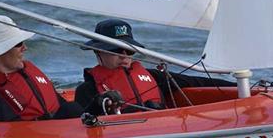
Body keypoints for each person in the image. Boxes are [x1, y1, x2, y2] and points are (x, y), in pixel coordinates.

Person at [75, 19, 235, 113]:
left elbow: (197, 82)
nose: (124, 56)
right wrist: (99, 104)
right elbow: (81, 122)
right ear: (98, 51)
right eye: (116, 50)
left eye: (129, 51)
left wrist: (241, 87)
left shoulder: (154, 76)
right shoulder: (87, 90)